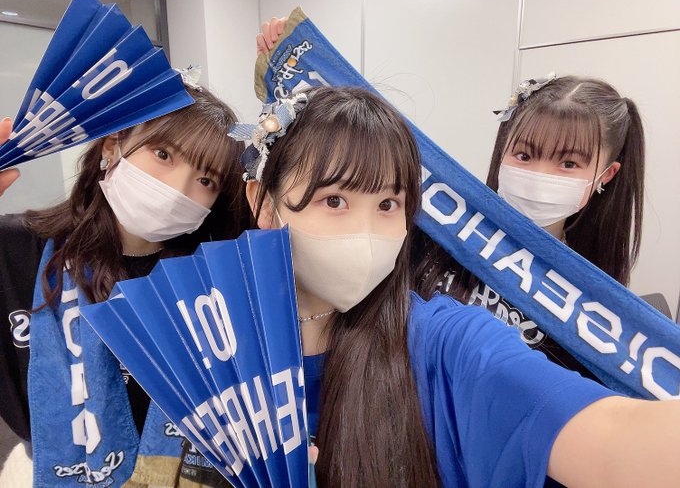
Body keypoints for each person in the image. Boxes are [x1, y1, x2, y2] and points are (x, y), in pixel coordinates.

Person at [179, 85, 679, 488]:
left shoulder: (444, 343)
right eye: (334, 201)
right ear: (264, 204)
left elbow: (614, 438)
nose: (366, 233)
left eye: (388, 205)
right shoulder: (200, 338)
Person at [0, 85, 250, 486]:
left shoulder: (212, 281)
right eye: (163, 155)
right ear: (113, 146)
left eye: (205, 180)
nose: (177, 189)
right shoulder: (16, 247)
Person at [413, 74, 646, 381]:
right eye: (524, 155)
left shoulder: (592, 305)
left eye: (569, 164)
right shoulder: (442, 231)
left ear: (606, 175)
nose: (539, 175)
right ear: (502, 152)